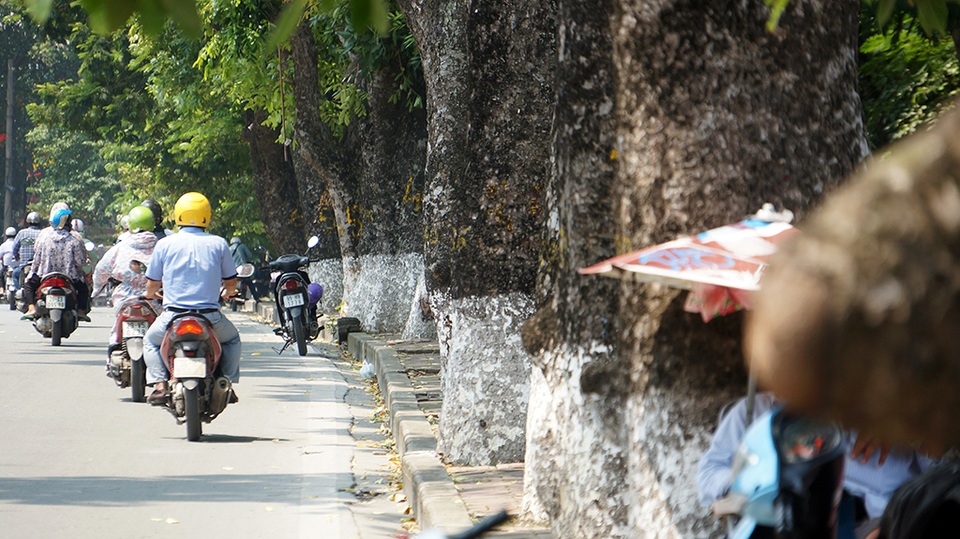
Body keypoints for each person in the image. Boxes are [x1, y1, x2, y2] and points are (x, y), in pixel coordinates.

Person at [697, 392, 932, 539]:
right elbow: (709, 475)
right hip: (787, 520)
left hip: (890, 520)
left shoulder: (878, 409)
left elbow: (944, 470)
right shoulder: (754, 414)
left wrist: (905, 429)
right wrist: (756, 480)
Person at [142, 192, 241, 403]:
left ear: (178, 215)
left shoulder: (165, 244)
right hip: (210, 317)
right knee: (232, 340)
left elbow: (152, 284)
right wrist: (229, 292)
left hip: (173, 317)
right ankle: (226, 382)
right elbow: (231, 282)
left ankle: (160, 385)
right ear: (207, 215)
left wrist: (150, 295)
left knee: (150, 342)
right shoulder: (219, 243)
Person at [93, 206, 159, 370]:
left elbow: (102, 270)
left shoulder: (121, 246)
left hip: (124, 300)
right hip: (155, 299)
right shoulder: (161, 247)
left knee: (116, 331)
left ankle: (112, 357)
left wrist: (97, 288)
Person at [21, 205, 90, 321]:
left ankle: (31, 308)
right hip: (69, 277)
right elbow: (80, 262)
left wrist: (32, 273)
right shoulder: (73, 240)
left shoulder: (44, 238)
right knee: (84, 288)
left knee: (28, 285)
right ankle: (81, 312)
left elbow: (37, 259)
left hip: (45, 275)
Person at [12, 212, 43, 291]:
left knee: (15, 274)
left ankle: (19, 291)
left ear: (28, 222)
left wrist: (17, 258)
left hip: (24, 265)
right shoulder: (43, 233)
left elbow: (15, 248)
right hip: (40, 267)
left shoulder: (22, 233)